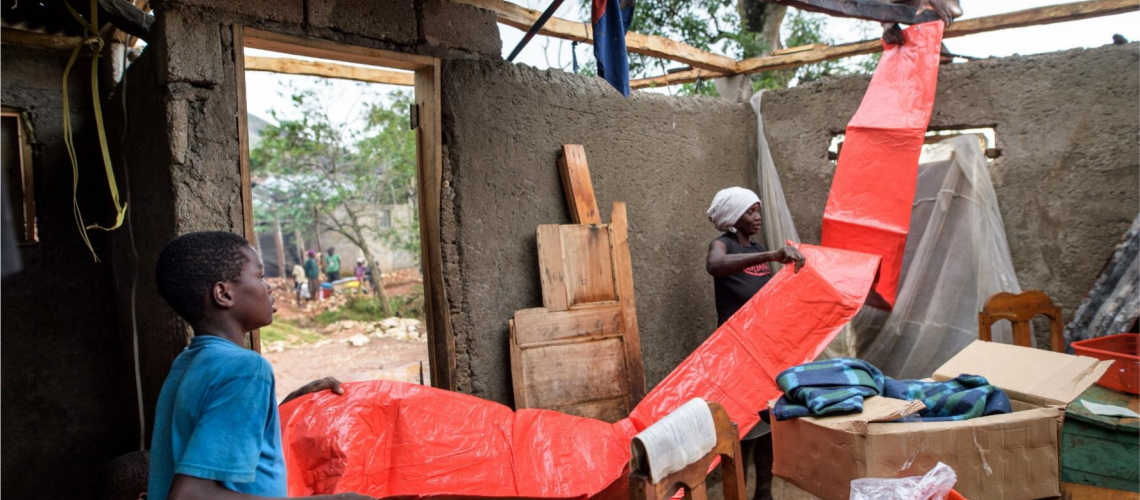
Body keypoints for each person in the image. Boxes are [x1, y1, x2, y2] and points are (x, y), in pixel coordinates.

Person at [150, 231, 374, 500]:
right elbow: (190, 495)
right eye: (259, 276)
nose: (269, 287)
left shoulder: (188, 361)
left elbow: (217, 437)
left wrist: (276, 410)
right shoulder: (246, 369)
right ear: (223, 294)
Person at [704, 187, 805, 500]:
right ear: (734, 217)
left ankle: (764, 492)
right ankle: (738, 492)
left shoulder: (758, 246)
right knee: (744, 426)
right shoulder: (723, 244)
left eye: (759, 210)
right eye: (751, 211)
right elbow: (715, 266)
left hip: (765, 350)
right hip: (736, 353)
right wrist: (771, 255)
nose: (758, 216)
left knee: (768, 424)